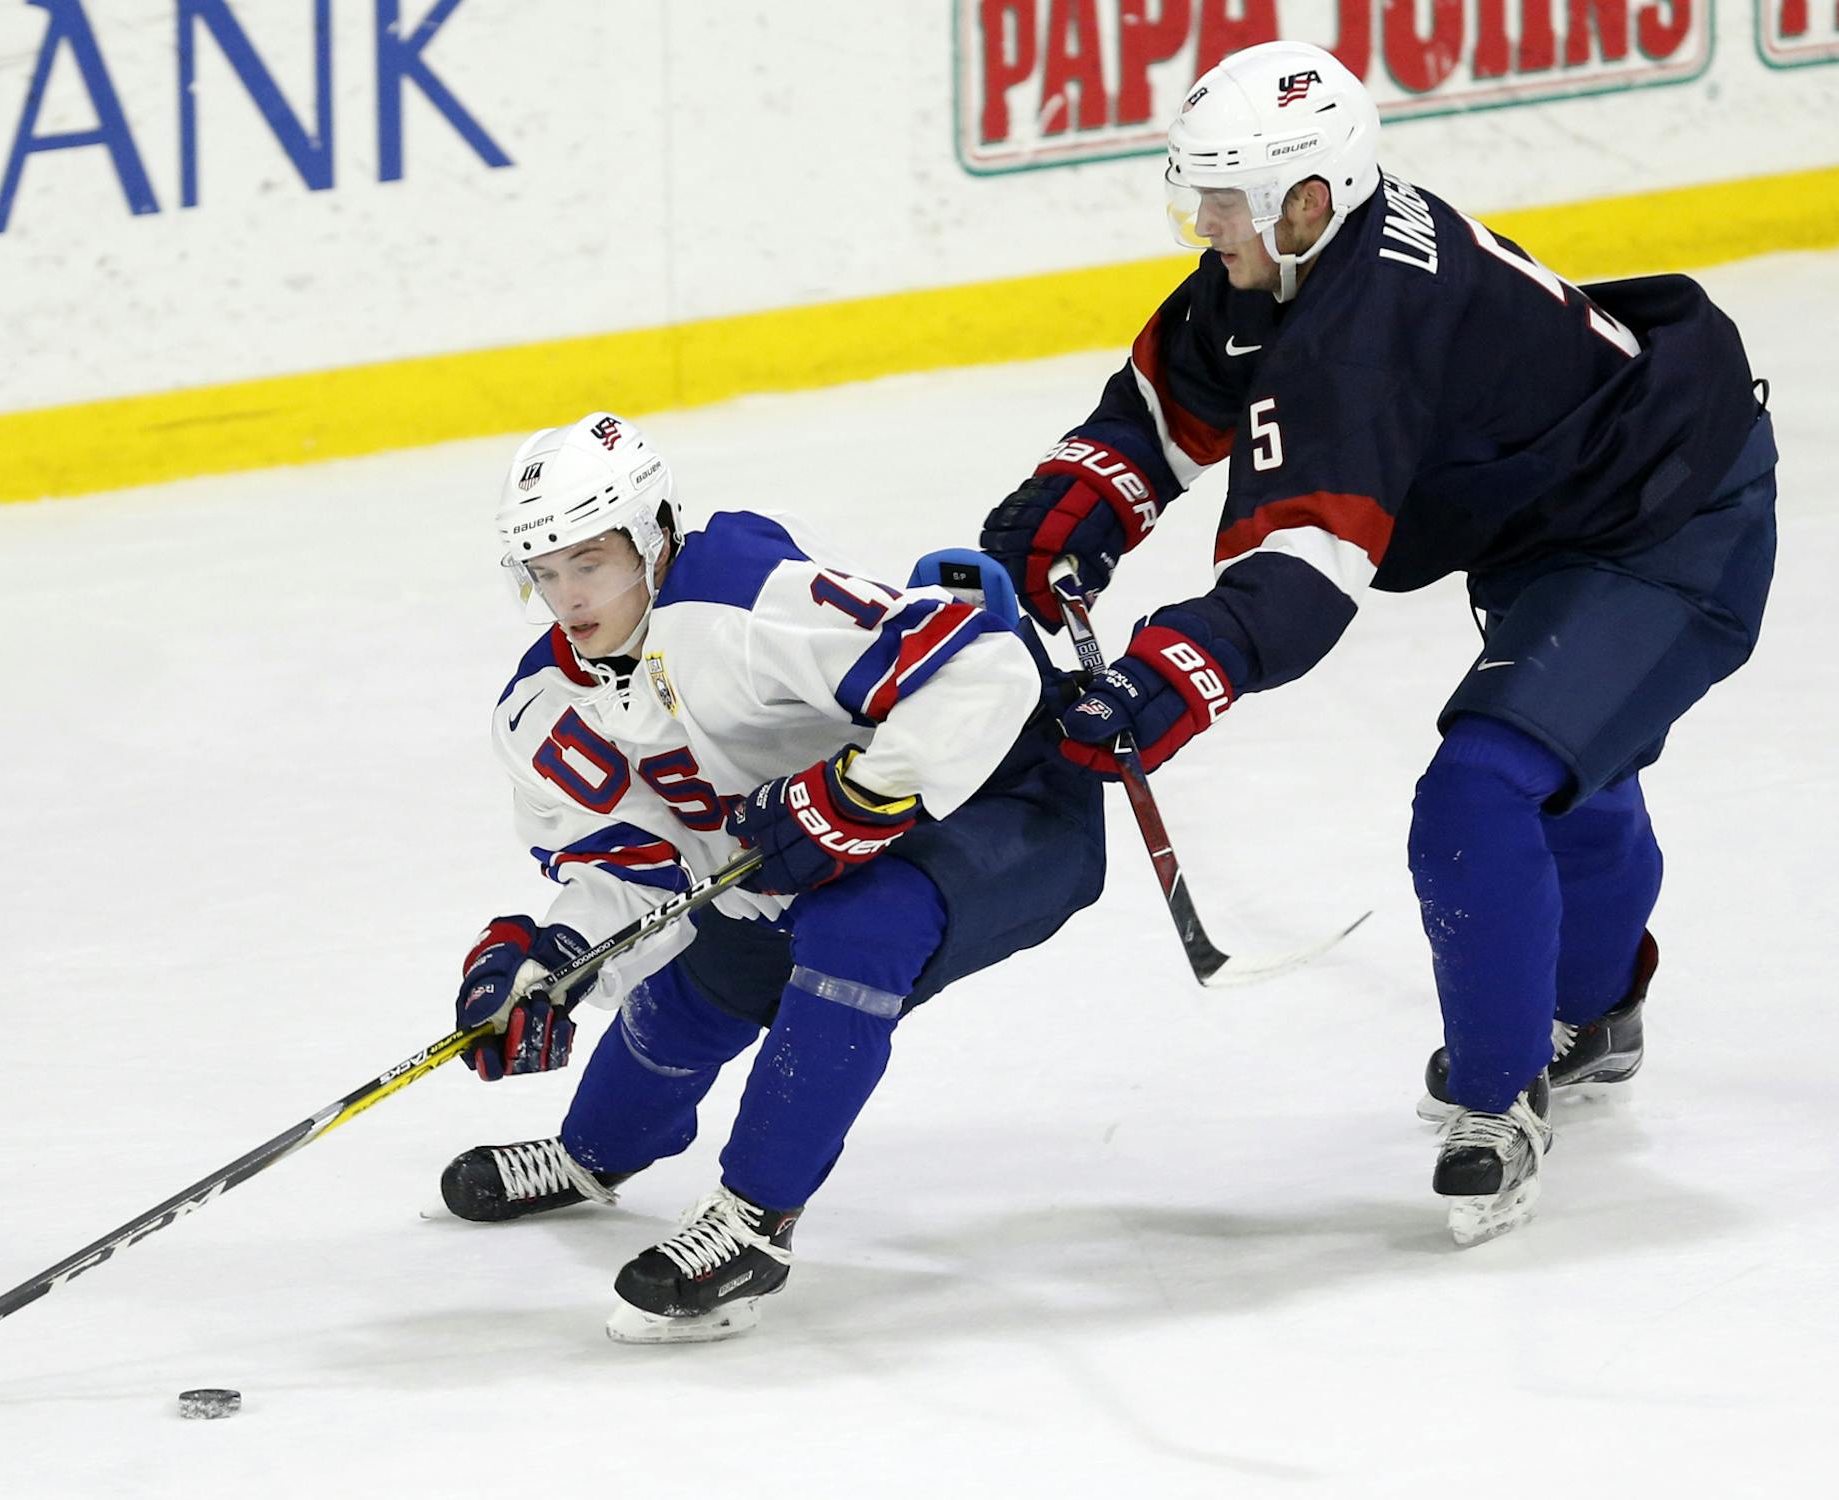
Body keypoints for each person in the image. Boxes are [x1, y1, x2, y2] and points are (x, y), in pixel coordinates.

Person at [978, 41, 1776, 1246]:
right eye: (1195, 191)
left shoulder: (1363, 328)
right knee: (1569, 765)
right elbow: (1165, 405)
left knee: (1484, 791)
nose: (1205, 224)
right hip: (1567, 516)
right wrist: (1073, 510)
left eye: (1229, 199)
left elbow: (1302, 575)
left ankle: (1503, 1092)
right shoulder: (1290, 267)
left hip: (1674, 522)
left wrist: (1167, 676)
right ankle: (1598, 1007)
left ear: (1312, 197)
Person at [443, 411, 1107, 1340]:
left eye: (588, 562)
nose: (567, 596)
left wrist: (867, 791)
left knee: (857, 931)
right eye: (544, 573)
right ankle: (594, 1152)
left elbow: (985, 668)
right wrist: (554, 961)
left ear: (652, 536)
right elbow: (643, 876)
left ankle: (756, 1221)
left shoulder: (740, 600)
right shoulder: (545, 707)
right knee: (699, 986)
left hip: (1006, 800)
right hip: (805, 852)